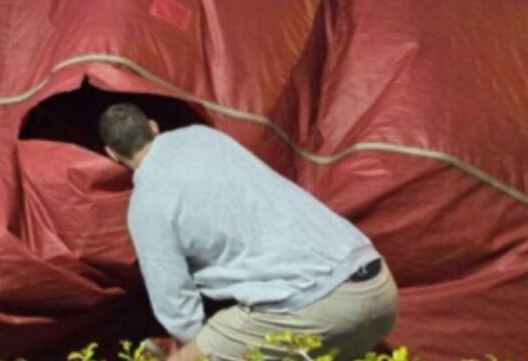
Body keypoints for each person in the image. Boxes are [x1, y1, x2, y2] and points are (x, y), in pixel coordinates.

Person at [98, 103, 397, 361]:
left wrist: (197, 344)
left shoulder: (147, 204)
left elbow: (175, 305)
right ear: (153, 126)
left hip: (315, 304)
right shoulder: (205, 137)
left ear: (111, 154)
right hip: (376, 282)